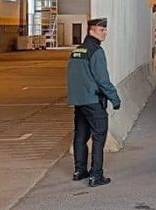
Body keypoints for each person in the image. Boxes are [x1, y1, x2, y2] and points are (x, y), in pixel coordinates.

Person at [67, 17, 121, 187]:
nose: (105, 33)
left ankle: (79, 171)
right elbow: (102, 80)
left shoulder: (76, 51)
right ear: (91, 31)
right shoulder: (96, 51)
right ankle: (96, 176)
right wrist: (115, 98)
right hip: (94, 101)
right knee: (99, 136)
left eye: (105, 30)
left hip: (79, 102)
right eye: (101, 30)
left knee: (80, 136)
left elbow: (73, 78)